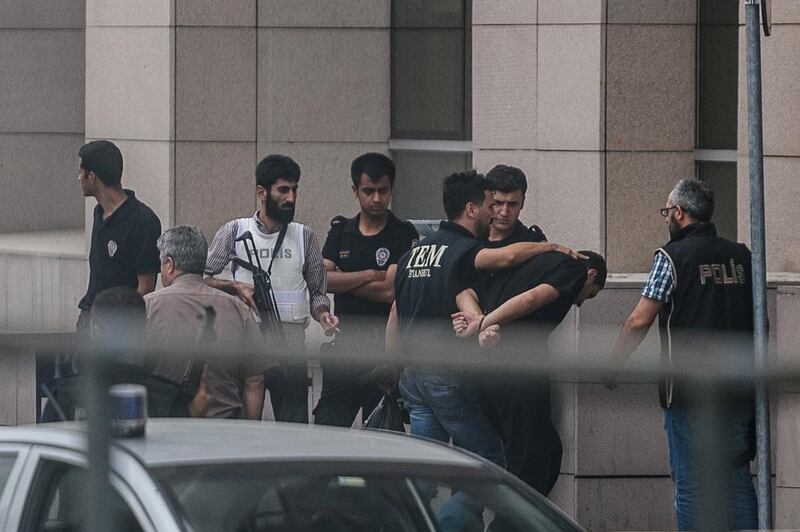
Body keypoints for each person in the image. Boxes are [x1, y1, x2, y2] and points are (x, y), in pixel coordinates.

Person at [388, 170, 582, 531]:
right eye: (492, 204)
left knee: (426, 472)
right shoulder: (464, 249)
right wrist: (550, 246)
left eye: (511, 204)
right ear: (473, 209)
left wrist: (392, 372)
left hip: (413, 377)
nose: (499, 212)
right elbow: (505, 262)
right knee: (488, 460)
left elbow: (397, 315)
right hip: (447, 374)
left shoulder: (414, 252)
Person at [604, 178, 757, 530]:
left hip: (687, 392)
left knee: (691, 484)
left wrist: (613, 365)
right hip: (739, 387)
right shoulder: (741, 256)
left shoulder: (671, 257)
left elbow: (637, 321)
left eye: (667, 211)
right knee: (736, 483)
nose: (667, 219)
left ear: (680, 213)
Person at [452, 250, 607, 494]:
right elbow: (532, 299)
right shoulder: (575, 269)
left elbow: (466, 291)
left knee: (546, 449)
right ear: (592, 274)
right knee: (530, 463)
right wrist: (483, 323)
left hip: (489, 371)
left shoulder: (535, 264)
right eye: (591, 294)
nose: (579, 302)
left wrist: (482, 322)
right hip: (518, 373)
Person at [205, 154, 337, 423]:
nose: (291, 198)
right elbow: (200, 277)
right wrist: (233, 287)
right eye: (283, 190)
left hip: (290, 346)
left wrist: (324, 315)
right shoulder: (234, 231)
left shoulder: (304, 236)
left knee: (293, 428)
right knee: (244, 423)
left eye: (295, 189)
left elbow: (318, 292)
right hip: (246, 341)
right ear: (261, 193)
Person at [314, 153, 419, 427]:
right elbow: (322, 280)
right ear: (355, 190)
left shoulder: (402, 232)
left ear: (391, 189)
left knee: (382, 437)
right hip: (345, 348)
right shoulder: (340, 231)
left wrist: (345, 281)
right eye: (368, 191)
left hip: (382, 351)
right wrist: (371, 275)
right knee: (328, 433)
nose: (376, 199)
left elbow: (389, 292)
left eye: (382, 191)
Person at [146, 226, 266, 420]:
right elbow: (255, 380)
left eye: (161, 264)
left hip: (164, 430)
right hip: (225, 432)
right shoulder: (239, 309)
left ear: (169, 264)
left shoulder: (148, 306)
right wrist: (250, 434)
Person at [77, 140, 161, 332]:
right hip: (89, 317)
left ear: (91, 176)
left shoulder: (143, 221)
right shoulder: (99, 212)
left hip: (119, 328)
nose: (78, 178)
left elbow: (146, 287)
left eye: (81, 172)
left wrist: (119, 324)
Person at [486, 164, 547, 246]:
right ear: (486, 200)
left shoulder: (533, 243)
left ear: (522, 202)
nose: (504, 212)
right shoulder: (470, 237)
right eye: (498, 203)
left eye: (512, 204)